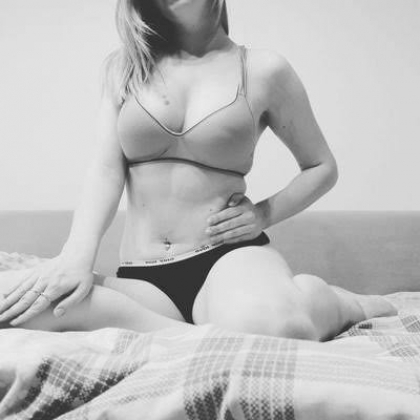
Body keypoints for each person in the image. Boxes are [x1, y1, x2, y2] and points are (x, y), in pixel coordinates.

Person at [0, 0, 397, 341]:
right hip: (142, 278)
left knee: (274, 329)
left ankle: (345, 304)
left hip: (227, 260)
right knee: (14, 306)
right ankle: (201, 335)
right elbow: (105, 170)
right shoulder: (125, 67)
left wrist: (262, 214)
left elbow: (321, 167)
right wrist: (75, 256)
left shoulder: (263, 69)